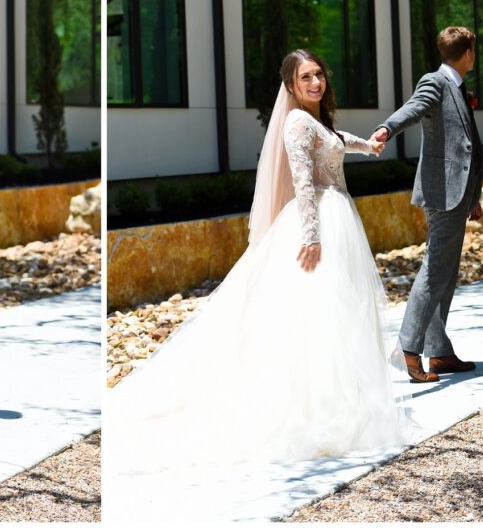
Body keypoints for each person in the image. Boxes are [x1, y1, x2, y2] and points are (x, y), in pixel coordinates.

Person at [109, 49, 411, 489]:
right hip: (319, 222)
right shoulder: (295, 122)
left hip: (337, 218)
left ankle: (342, 404)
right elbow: (304, 181)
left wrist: (369, 145)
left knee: (337, 318)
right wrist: (310, 236)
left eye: (319, 75)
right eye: (306, 77)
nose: (315, 82)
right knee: (315, 318)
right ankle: (314, 410)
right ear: (290, 86)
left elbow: (335, 140)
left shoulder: (317, 121)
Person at [373, 25, 483, 382]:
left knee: (446, 273)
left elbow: (469, 145)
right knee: (435, 268)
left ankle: (439, 353)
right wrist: (387, 129)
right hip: (442, 191)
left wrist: (475, 196)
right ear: (467, 53)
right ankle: (407, 348)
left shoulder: (457, 85)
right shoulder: (435, 81)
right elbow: (413, 108)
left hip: (459, 193)